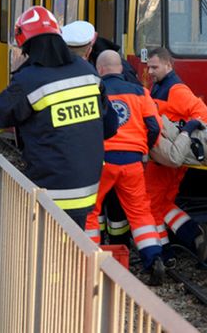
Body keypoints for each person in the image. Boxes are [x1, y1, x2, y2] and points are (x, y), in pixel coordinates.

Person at [0, 6, 116, 228]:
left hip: (52, 190)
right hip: (88, 187)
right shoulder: (87, 71)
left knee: (47, 253)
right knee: (73, 246)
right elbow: (110, 125)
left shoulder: (29, 78)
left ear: (27, 44)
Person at [84, 50, 165, 284]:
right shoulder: (141, 92)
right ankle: (154, 258)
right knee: (140, 213)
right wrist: (143, 150)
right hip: (132, 163)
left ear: (99, 70)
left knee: (92, 210)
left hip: (102, 160)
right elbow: (154, 127)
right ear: (120, 68)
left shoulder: (94, 91)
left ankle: (92, 263)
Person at [61, 21, 131, 245]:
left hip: (82, 160)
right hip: (120, 156)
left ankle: (91, 251)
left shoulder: (57, 74)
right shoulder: (118, 71)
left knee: (92, 209)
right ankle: (120, 251)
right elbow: (112, 124)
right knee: (120, 209)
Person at [145, 47, 207, 264]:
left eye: (154, 67)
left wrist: (185, 133)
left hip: (167, 157)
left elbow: (201, 113)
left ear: (168, 65)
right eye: (149, 67)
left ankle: (164, 253)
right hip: (170, 157)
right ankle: (193, 234)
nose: (150, 71)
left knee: (150, 203)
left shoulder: (175, 89)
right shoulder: (161, 87)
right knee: (163, 203)